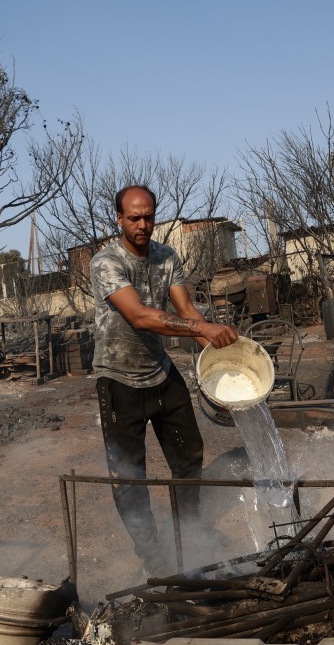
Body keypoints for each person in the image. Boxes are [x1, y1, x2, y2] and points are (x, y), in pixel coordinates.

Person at [90, 184, 238, 575]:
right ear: (118, 219)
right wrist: (201, 329)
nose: (142, 225)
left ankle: (188, 535)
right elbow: (139, 316)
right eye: (134, 218)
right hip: (118, 381)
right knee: (129, 477)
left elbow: (186, 307)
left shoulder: (167, 257)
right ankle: (153, 554)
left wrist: (220, 363)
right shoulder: (107, 262)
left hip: (160, 372)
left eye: (148, 217)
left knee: (189, 456)